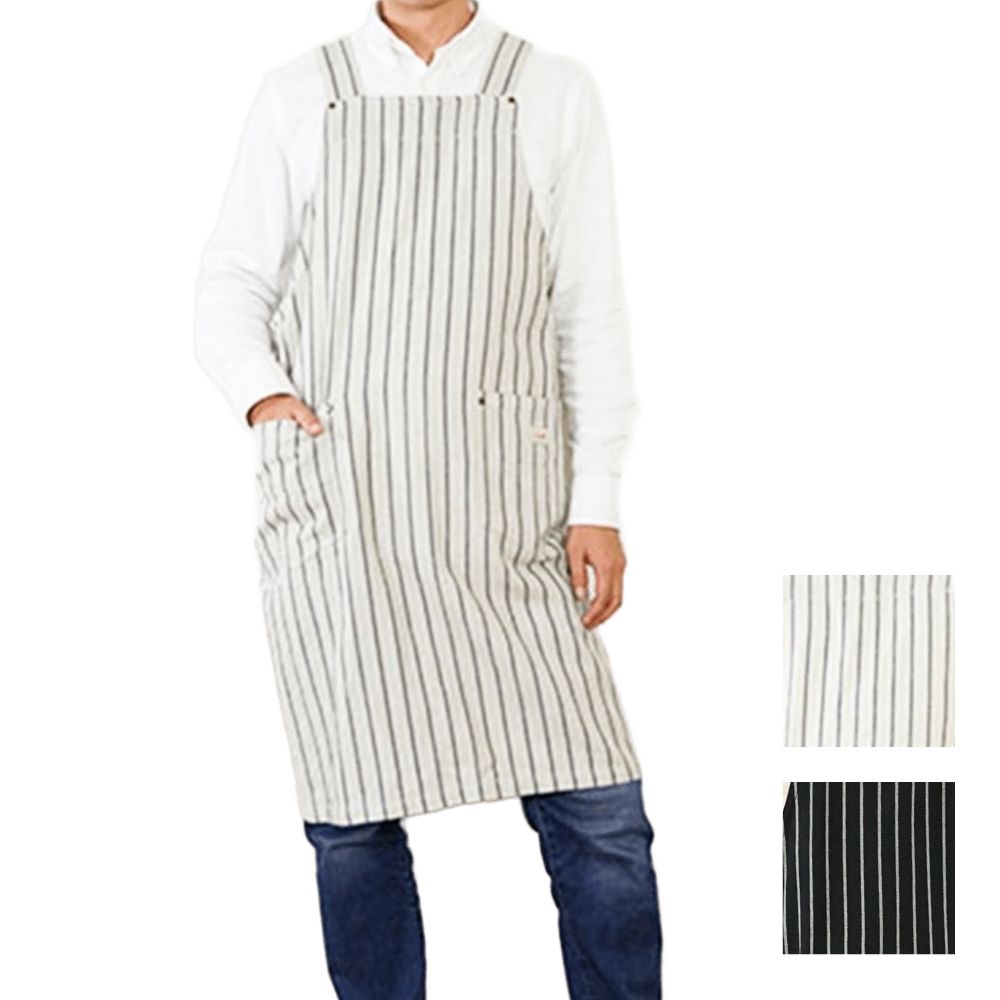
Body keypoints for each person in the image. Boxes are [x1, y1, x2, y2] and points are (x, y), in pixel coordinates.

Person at [193, 2, 661, 996]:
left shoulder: (550, 89)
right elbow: (230, 278)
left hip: (505, 510)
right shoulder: (301, 90)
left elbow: (588, 305)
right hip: (346, 505)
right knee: (352, 818)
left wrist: (599, 496)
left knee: (602, 812)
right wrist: (263, 395)